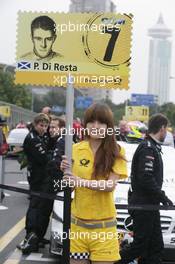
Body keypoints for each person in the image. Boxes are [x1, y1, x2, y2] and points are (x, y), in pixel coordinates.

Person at [61, 103, 128, 263]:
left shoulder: (117, 151)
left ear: (109, 126)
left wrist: (79, 180)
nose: (95, 126)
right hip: (78, 227)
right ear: (86, 124)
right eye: (91, 121)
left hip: (104, 229)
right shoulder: (75, 149)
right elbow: (70, 188)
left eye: (101, 122)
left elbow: (109, 186)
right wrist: (65, 173)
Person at [117, 114, 173, 264]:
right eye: (166, 129)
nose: (166, 132)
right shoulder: (148, 148)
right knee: (140, 246)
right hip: (143, 205)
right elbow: (146, 178)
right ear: (162, 128)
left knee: (155, 247)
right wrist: (164, 198)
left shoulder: (152, 147)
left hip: (150, 205)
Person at [17, 113, 53, 254]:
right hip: (37, 179)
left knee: (44, 208)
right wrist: (52, 154)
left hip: (44, 178)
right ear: (35, 124)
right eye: (41, 125)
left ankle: (39, 236)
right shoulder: (32, 138)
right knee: (35, 207)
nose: (44, 128)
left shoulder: (42, 136)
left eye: (46, 125)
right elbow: (45, 158)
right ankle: (30, 236)